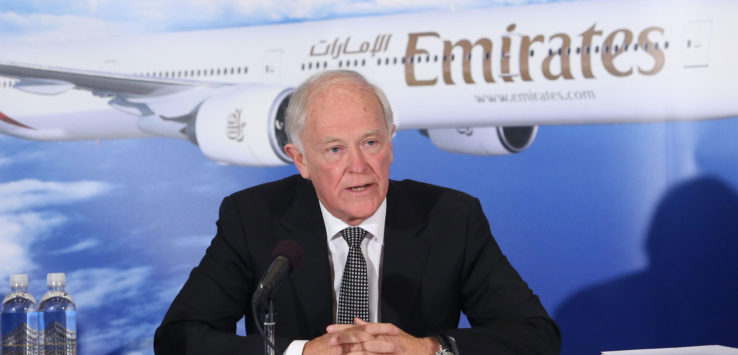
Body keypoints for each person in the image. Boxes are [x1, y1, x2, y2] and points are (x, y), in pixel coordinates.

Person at [154, 70, 561, 354]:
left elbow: (535, 336)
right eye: (334, 149)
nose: (358, 166)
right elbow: (180, 338)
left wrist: (429, 350)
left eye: (370, 142)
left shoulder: (451, 217)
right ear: (300, 161)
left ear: (391, 143)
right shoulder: (252, 217)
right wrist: (300, 354)